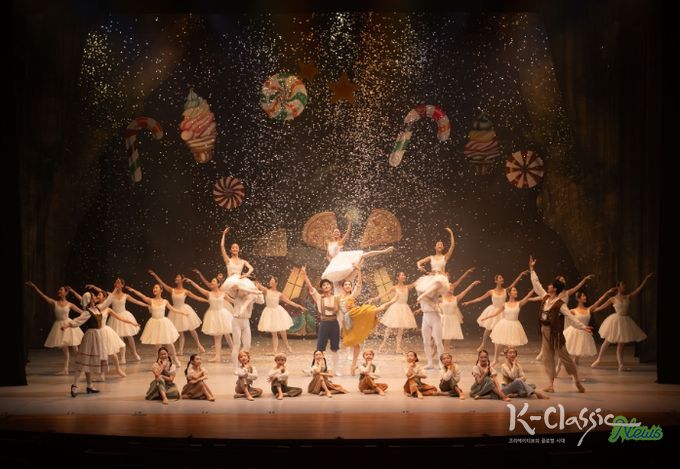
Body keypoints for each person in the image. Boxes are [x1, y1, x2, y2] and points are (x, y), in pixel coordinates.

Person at [529, 256, 592, 393]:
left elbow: (570, 317)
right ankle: (551, 384)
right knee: (547, 358)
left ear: (555, 289)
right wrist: (532, 269)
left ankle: (577, 380)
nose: (548, 286)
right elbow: (536, 285)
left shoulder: (560, 304)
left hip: (555, 333)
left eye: (550, 285)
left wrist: (583, 327)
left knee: (565, 358)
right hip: (545, 331)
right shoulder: (545, 297)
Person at [591, 273, 654, 371]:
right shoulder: (612, 299)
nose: (625, 286)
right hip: (615, 321)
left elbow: (638, 289)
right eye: (623, 284)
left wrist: (646, 279)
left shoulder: (627, 297)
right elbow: (601, 307)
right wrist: (591, 310)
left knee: (621, 345)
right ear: (618, 287)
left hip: (625, 322)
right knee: (607, 341)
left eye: (625, 284)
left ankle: (621, 365)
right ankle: (599, 359)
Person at [25, 282, 84, 375]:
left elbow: (83, 313)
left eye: (61, 289)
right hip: (59, 326)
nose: (59, 291)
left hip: (68, 325)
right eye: (59, 290)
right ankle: (65, 369)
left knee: (75, 348)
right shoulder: (54, 302)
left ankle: (82, 368)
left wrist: (76, 321)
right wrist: (35, 287)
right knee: (65, 349)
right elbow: (43, 296)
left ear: (66, 292)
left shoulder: (70, 304)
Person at [148, 270, 206, 354]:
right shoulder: (172, 290)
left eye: (178, 277)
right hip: (175, 311)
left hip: (185, 309)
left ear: (182, 280)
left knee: (192, 329)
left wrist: (207, 300)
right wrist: (155, 275)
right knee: (179, 332)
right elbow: (162, 284)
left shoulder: (186, 291)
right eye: (176, 277)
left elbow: (197, 297)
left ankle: (199, 345)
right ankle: (180, 350)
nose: (176, 278)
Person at [256, 276, 306, 354]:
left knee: (283, 331)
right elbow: (258, 285)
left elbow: (289, 302)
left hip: (278, 312)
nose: (270, 282)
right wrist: (253, 279)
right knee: (274, 333)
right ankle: (275, 350)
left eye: (272, 281)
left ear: (276, 283)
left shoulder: (279, 294)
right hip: (269, 312)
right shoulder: (266, 291)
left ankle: (287, 346)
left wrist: (299, 306)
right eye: (270, 281)